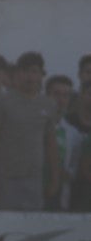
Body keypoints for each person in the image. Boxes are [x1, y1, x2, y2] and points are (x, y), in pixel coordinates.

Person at [0, 51, 60, 212]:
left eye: (34, 72)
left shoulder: (48, 105)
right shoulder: (2, 101)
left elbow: (51, 144)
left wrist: (54, 178)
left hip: (34, 180)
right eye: (25, 71)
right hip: (4, 179)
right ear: (17, 73)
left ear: (41, 75)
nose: (30, 77)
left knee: (30, 224)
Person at [46, 74, 81, 210]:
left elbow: (73, 168)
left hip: (61, 196)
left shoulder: (73, 133)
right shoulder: (34, 127)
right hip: (35, 191)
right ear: (47, 95)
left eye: (66, 95)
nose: (61, 100)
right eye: (56, 94)